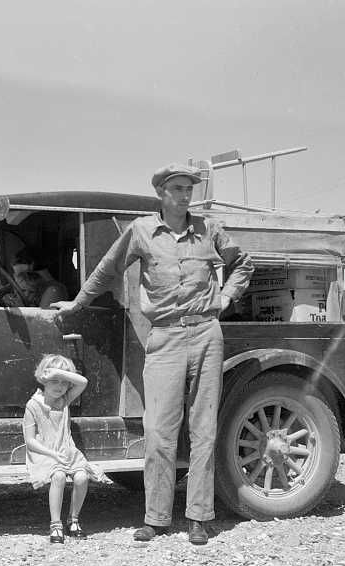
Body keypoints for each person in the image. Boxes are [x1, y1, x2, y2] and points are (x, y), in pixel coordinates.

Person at [52, 163, 254, 545]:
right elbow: (107, 268)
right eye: (177, 188)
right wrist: (77, 304)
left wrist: (226, 298)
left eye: (188, 188)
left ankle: (199, 517)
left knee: (203, 430)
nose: (184, 195)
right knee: (159, 430)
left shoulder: (208, 230)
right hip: (165, 337)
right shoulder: (142, 231)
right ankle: (157, 519)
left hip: (207, 334)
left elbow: (242, 263)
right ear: (161, 192)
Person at [22, 353, 105, 543]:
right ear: (44, 379)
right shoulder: (33, 405)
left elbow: (83, 382)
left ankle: (73, 519)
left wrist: (60, 372)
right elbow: (30, 441)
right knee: (58, 476)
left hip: (66, 449)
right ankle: (56, 524)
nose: (59, 387)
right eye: (54, 381)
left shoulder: (64, 400)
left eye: (64, 382)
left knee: (82, 477)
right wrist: (52, 454)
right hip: (43, 452)